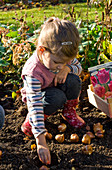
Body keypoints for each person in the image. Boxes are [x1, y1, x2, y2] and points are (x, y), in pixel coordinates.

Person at [21, 17, 85, 165]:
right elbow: (35, 105)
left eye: (65, 62)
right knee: (57, 97)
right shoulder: (33, 72)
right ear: (42, 50)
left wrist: (68, 68)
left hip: (54, 86)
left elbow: (78, 67)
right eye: (57, 62)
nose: (60, 66)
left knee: (74, 80)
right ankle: (29, 124)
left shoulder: (61, 56)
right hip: (39, 98)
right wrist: (41, 142)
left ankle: (69, 113)